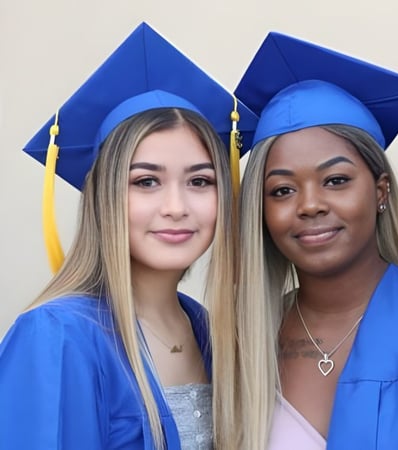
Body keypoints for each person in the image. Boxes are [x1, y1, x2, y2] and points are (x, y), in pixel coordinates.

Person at [216, 32, 398, 450]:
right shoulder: (245, 338)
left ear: (380, 191)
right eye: (282, 190)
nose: (309, 205)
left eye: (336, 180)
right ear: (260, 209)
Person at [0, 23, 258, 449]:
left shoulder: (207, 330)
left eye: (199, 181)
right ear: (103, 197)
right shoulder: (57, 335)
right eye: (145, 182)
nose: (176, 206)